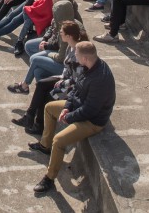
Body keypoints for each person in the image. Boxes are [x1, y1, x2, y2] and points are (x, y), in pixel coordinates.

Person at [29, 41, 115, 194]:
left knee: (59, 140)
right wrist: (67, 106)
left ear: (85, 58)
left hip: (93, 121)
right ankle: (44, 146)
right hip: (79, 108)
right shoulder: (88, 67)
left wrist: (68, 116)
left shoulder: (99, 79)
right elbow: (76, 89)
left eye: (77, 55)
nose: (74, 57)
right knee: (49, 108)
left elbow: (90, 110)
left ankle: (49, 178)